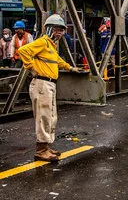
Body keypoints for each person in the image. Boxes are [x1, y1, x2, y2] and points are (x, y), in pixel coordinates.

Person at [17, 14, 82, 162]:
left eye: (61, 30)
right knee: (43, 117)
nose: (59, 32)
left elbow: (56, 60)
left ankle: (46, 147)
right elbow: (23, 51)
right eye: (57, 29)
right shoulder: (42, 42)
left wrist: (70, 68)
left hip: (49, 84)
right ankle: (41, 151)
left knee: (51, 117)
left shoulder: (50, 45)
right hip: (41, 84)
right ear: (49, 29)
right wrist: (32, 68)